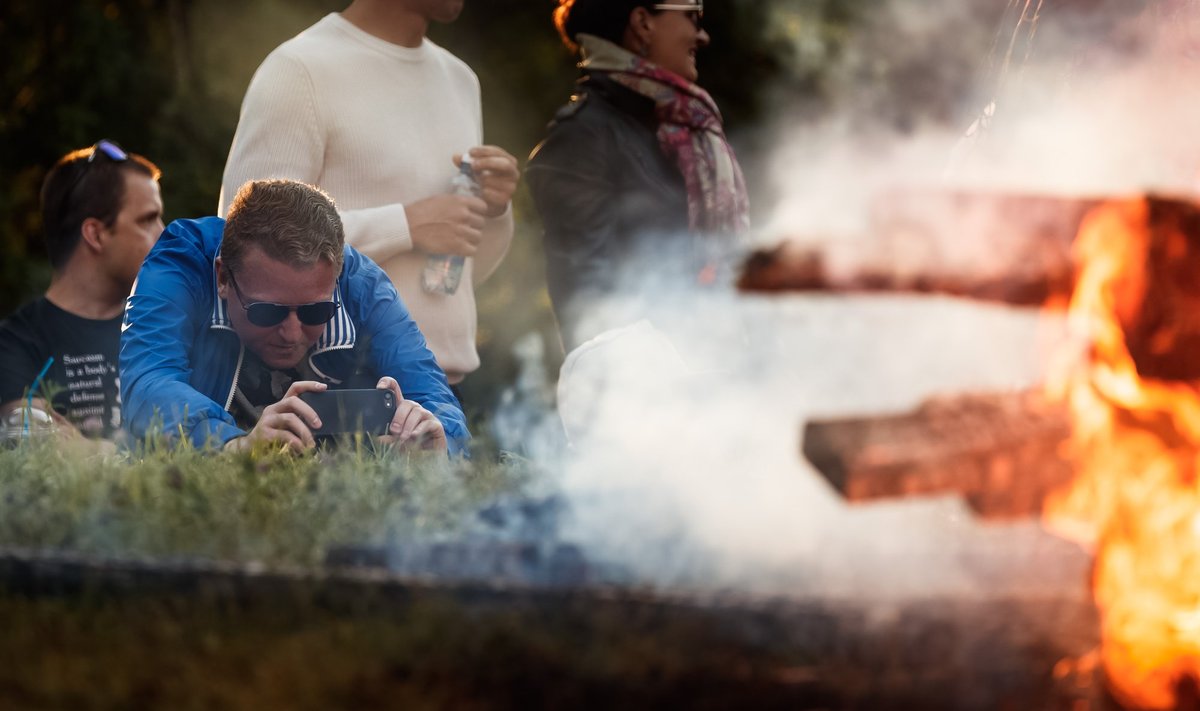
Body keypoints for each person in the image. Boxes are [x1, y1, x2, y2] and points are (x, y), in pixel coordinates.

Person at [219, 0, 520, 399]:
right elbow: (245, 245)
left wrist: (495, 212)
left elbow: (465, 271)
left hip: (445, 388)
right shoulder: (298, 68)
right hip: (335, 390)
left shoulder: (460, 79)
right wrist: (406, 226)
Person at [120, 179, 468, 454]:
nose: (291, 332)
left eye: (316, 311)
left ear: (336, 277)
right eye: (266, 311)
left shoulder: (362, 286)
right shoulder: (182, 261)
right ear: (223, 277)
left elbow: (434, 397)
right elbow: (148, 380)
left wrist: (437, 441)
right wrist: (232, 446)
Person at [527, 0, 750, 353]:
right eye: (692, 16)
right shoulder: (583, 137)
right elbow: (588, 309)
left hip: (713, 371)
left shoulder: (683, 131)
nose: (702, 35)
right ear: (643, 23)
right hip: (650, 393)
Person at [0, 140, 163, 444]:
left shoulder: (164, 329)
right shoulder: (13, 345)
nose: (164, 233)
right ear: (96, 234)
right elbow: (41, 447)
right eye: (148, 220)